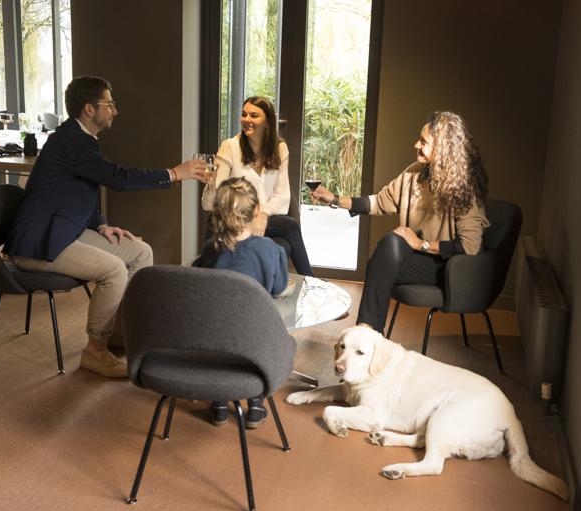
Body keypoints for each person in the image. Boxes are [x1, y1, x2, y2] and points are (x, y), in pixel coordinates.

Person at [5, 75, 207, 378]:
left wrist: (101, 225)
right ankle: (95, 351)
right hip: (39, 241)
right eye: (109, 104)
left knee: (140, 252)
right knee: (113, 270)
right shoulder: (73, 140)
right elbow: (118, 178)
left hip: (65, 229)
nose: (114, 111)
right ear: (89, 108)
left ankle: (119, 333)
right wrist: (174, 174)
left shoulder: (80, 138)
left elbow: (80, 191)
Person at [311, 111, 490, 333]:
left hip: (450, 267)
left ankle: (366, 333)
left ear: (444, 148)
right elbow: (378, 202)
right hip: (417, 258)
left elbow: (470, 246)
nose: (416, 144)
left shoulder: (465, 187)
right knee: (390, 245)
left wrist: (420, 244)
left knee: (379, 265)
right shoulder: (414, 174)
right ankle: (368, 333)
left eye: (423, 142)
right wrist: (335, 200)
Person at [208, 177, 291, 428]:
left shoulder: (210, 251)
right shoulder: (272, 250)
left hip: (213, 341)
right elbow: (278, 288)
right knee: (270, 335)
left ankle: (220, 402)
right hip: (255, 341)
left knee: (222, 329)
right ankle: (256, 404)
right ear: (256, 211)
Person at [200, 95, 314, 276]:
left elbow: (282, 198)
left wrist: (263, 214)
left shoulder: (280, 148)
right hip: (234, 221)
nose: (246, 120)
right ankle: (310, 282)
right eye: (244, 114)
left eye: (254, 116)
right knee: (290, 226)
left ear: (268, 122)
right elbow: (212, 204)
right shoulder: (230, 147)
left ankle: (272, 295)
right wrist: (211, 182)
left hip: (263, 222)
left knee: (283, 247)